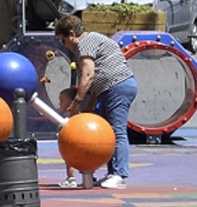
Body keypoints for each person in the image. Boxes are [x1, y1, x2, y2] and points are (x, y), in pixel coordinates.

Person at [54, 15, 138, 189]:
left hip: (117, 86)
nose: (65, 46)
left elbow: (88, 75)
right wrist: (89, 110)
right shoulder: (92, 41)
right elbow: (94, 83)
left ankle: (119, 174)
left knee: (117, 130)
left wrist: (77, 102)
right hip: (110, 89)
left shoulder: (86, 43)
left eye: (64, 41)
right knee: (106, 132)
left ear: (71, 34)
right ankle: (111, 172)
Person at [57, 86, 79, 188]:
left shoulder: (69, 116)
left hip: (71, 143)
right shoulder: (79, 115)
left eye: (61, 101)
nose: (59, 104)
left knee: (69, 160)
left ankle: (71, 178)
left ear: (71, 103)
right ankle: (89, 175)